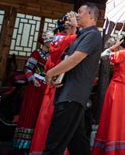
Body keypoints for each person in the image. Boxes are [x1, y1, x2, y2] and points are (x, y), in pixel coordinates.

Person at [44, 3, 103, 155]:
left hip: (72, 94)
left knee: (54, 143)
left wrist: (50, 73)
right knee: (78, 143)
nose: (77, 15)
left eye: (80, 12)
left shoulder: (93, 35)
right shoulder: (81, 35)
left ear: (90, 15)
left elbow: (75, 59)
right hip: (70, 93)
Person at [30, 12, 78, 154]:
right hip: (58, 82)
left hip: (53, 81)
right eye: (71, 19)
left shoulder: (59, 38)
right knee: (53, 118)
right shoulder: (65, 39)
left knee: (49, 116)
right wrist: (76, 29)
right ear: (66, 25)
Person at [93, 36, 125, 155]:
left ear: (119, 43)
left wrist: (112, 47)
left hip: (117, 87)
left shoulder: (121, 53)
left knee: (112, 115)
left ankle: (110, 145)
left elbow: (103, 55)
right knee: (123, 118)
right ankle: (123, 148)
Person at [13, 29, 53, 150]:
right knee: (31, 111)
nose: (51, 42)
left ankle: (40, 142)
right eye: (49, 40)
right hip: (35, 87)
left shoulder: (52, 55)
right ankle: (25, 143)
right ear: (45, 41)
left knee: (43, 114)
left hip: (47, 87)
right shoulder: (36, 53)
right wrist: (32, 80)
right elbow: (28, 69)